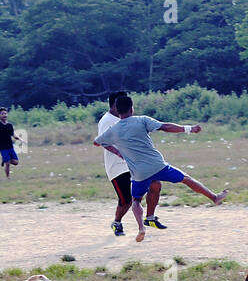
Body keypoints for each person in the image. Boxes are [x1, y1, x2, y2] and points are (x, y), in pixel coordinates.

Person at [92, 94, 227, 242]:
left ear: (117, 110)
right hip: (157, 166)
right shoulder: (142, 120)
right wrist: (189, 128)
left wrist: (118, 149)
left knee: (136, 200)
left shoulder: (114, 130)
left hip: (138, 173)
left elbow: (97, 142)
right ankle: (214, 197)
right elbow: (165, 127)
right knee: (186, 179)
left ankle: (142, 227)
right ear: (132, 108)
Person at [95, 92, 133, 237]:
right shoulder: (107, 121)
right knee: (125, 200)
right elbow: (102, 141)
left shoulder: (124, 118)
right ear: (114, 104)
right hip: (117, 167)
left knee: (143, 190)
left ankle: (148, 219)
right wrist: (119, 153)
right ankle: (117, 222)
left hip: (130, 164)